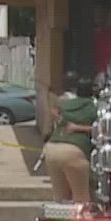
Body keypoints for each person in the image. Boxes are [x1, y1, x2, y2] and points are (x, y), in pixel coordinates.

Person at [42, 75, 97, 203]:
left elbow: (54, 111)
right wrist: (79, 128)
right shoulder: (94, 107)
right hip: (74, 150)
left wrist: (60, 119)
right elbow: (100, 129)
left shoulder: (65, 103)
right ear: (93, 91)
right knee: (81, 199)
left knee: (61, 199)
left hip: (51, 149)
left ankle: (60, 219)